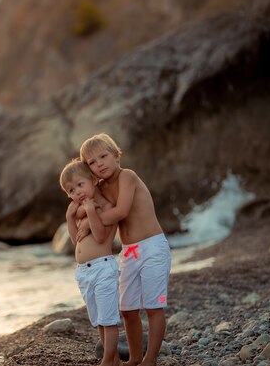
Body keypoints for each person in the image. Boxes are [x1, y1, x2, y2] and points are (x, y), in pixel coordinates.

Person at [79, 133, 171, 366]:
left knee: (153, 306)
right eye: (92, 162)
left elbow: (120, 212)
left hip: (152, 247)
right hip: (129, 252)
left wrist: (92, 219)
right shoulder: (98, 188)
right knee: (128, 310)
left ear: (116, 155)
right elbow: (81, 205)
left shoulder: (127, 177)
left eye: (103, 156)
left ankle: (150, 359)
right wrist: (81, 214)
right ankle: (134, 358)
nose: (99, 163)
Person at [60, 158, 121, 366]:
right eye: (71, 190)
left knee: (109, 319)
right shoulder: (81, 210)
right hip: (83, 272)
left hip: (102, 267)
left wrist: (91, 211)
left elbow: (101, 236)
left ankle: (106, 361)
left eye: (80, 184)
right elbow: (75, 239)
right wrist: (70, 219)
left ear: (93, 180)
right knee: (99, 321)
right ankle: (112, 359)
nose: (77, 192)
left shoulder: (104, 205)